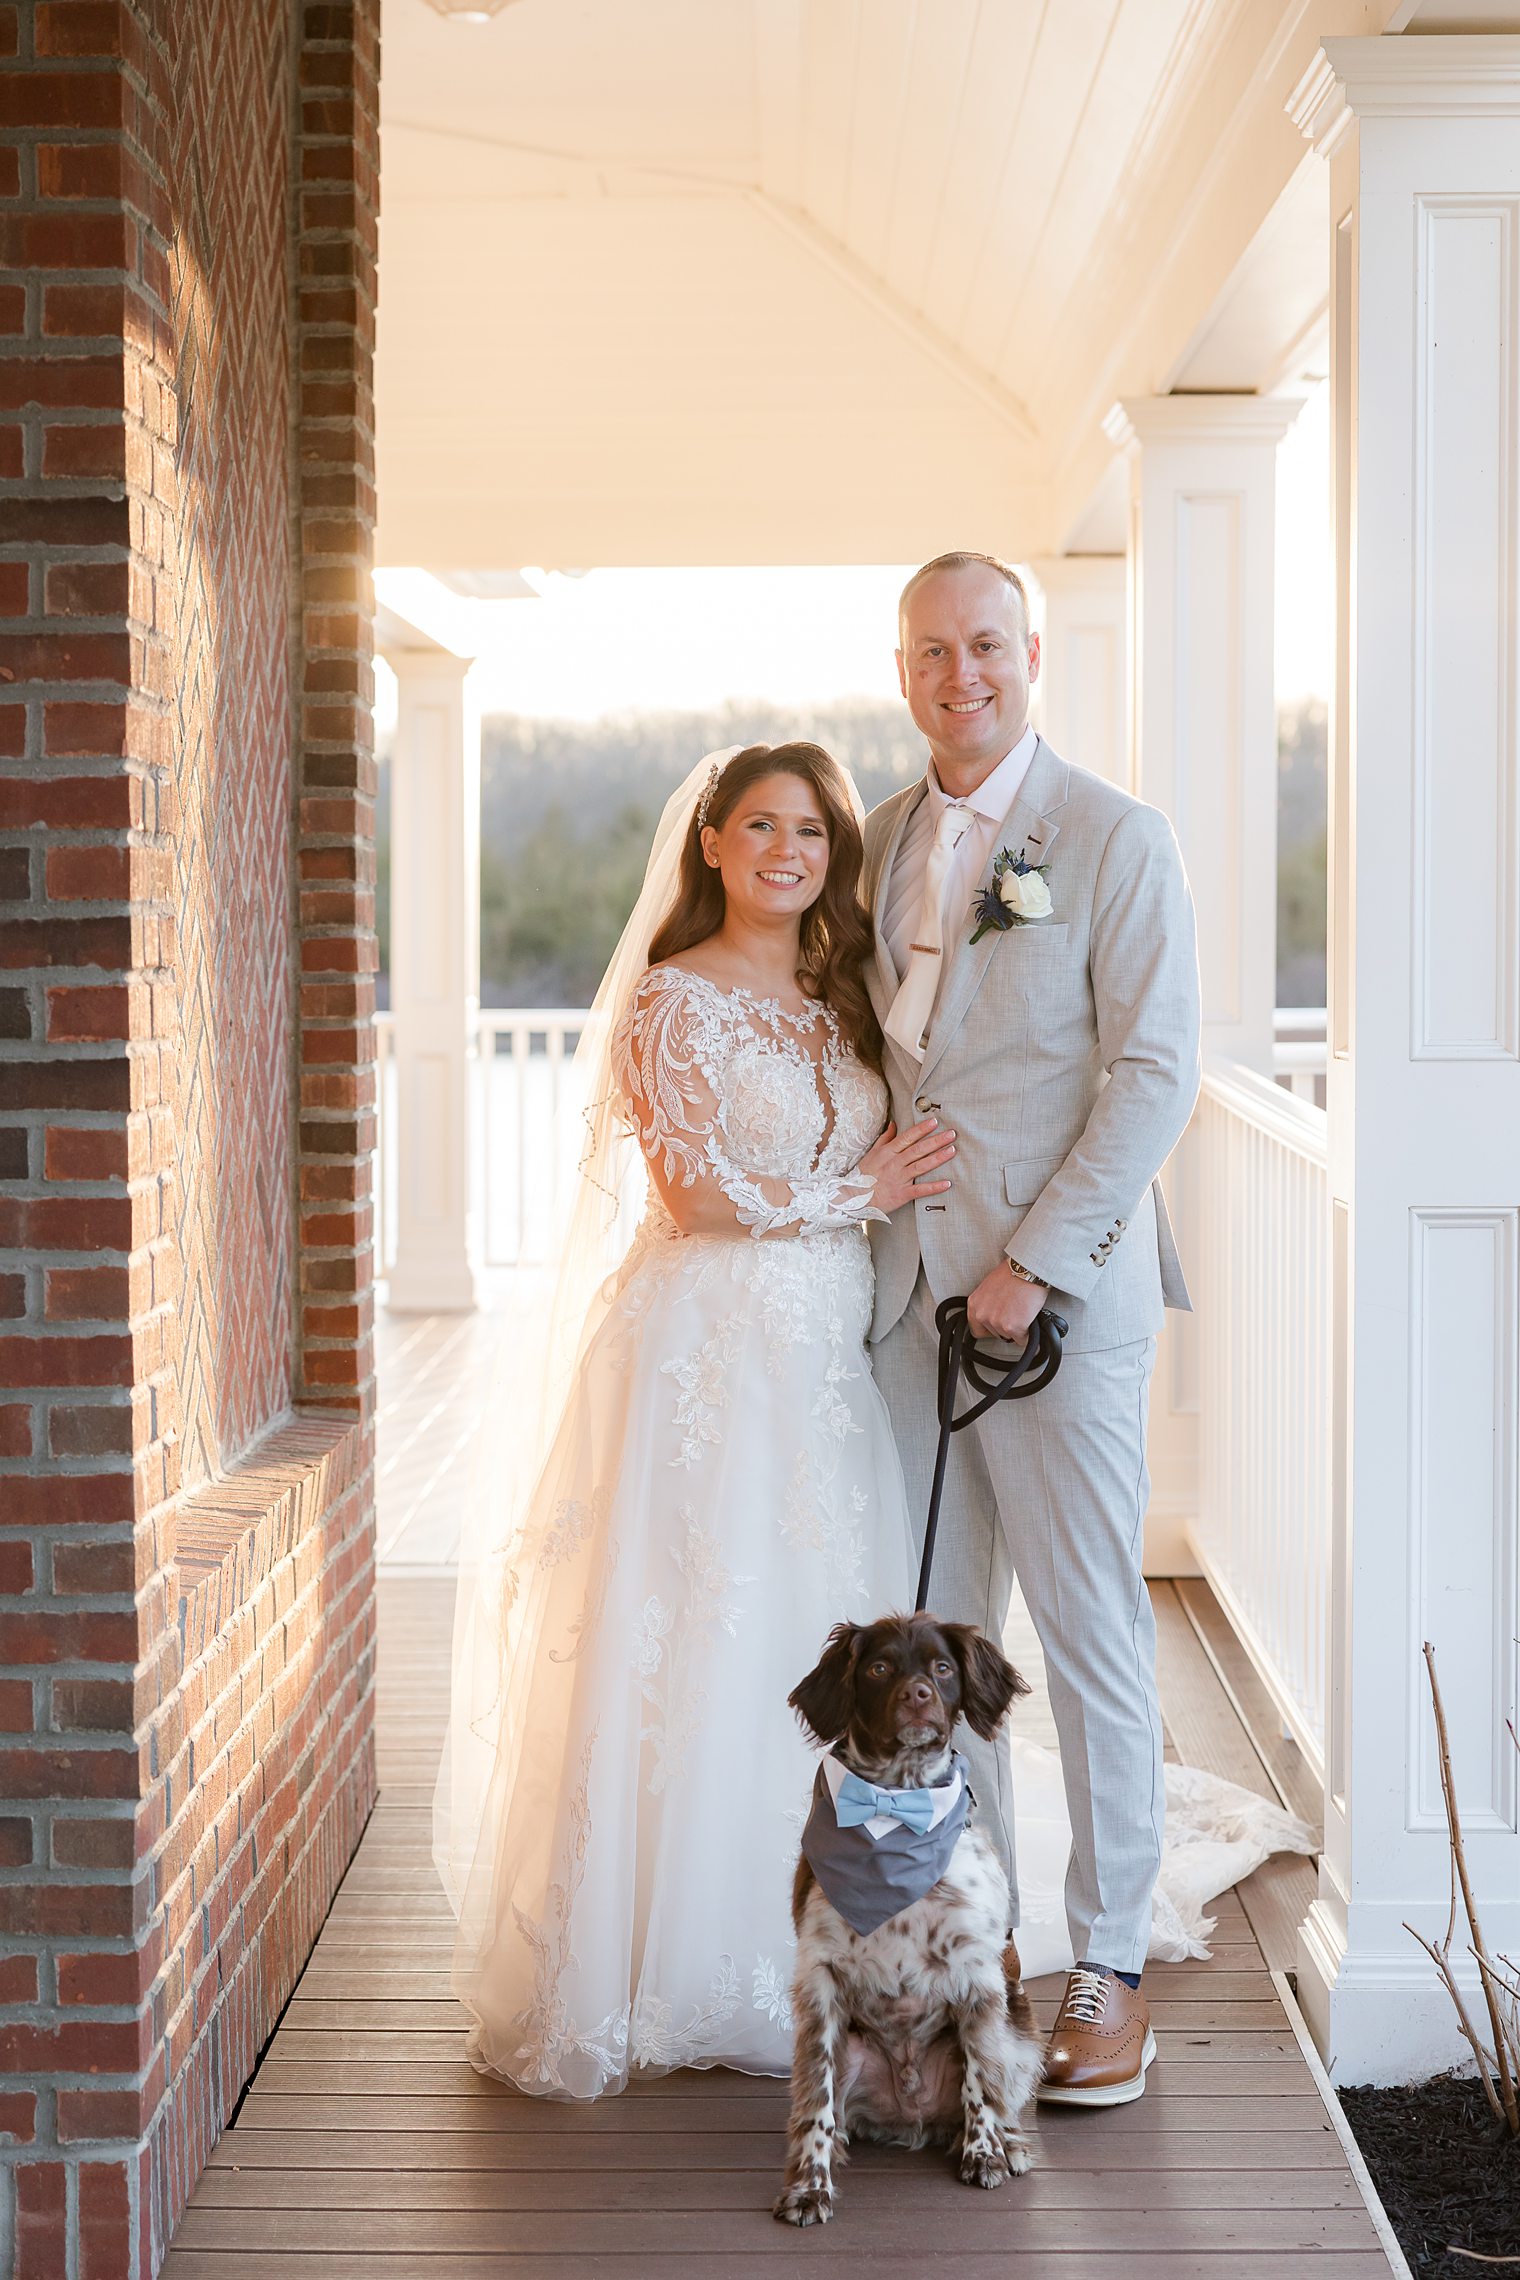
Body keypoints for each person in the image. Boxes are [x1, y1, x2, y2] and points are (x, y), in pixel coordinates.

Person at [437, 741, 952, 2096]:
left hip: (824, 1357)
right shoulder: (673, 1002)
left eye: (813, 834)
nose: (790, 850)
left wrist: (883, 1197)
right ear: (712, 842)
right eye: (763, 825)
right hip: (711, 1352)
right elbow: (695, 1198)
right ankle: (681, 1957)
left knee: (812, 1618)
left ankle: (836, 1938)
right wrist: (868, 1190)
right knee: (696, 1630)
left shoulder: (844, 999)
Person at [864, 550, 1202, 2108]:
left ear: (1032, 649)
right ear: (905, 665)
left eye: (986, 644)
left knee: (1085, 1645)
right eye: (932, 651)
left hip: (1052, 1312)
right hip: (906, 1314)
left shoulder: (1113, 838)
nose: (962, 675)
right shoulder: (874, 842)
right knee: (941, 1659)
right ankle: (983, 1948)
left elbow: (1151, 1079)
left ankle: (1111, 1973)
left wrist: (1031, 1266)